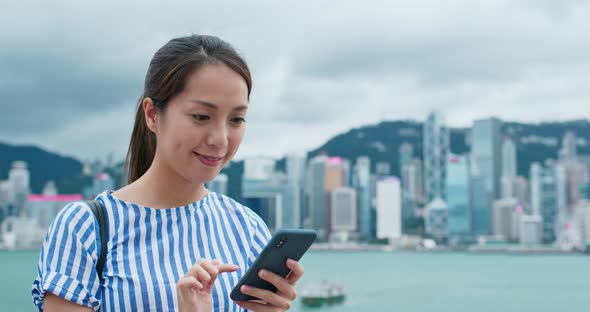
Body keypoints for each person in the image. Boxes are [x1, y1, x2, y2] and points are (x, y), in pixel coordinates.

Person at [31, 34, 304, 311]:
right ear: (152, 114)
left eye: (236, 119)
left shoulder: (248, 229)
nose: (221, 139)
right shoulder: (85, 228)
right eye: (201, 116)